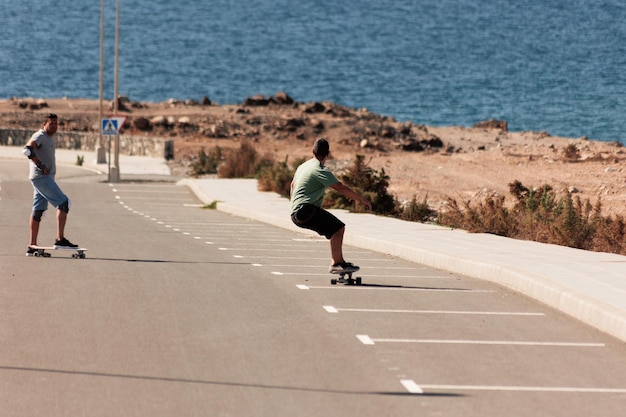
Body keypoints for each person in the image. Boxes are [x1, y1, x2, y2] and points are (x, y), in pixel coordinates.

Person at [290, 138, 372, 273]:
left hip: (295, 212)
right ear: (328, 154)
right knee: (338, 228)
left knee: (334, 229)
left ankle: (337, 261)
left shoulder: (303, 166)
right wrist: (362, 200)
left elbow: (292, 184)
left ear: (312, 151)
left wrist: (293, 204)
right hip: (305, 210)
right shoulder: (319, 169)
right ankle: (337, 263)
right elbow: (340, 187)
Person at [24, 113, 79, 256]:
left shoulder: (48, 138)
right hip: (42, 177)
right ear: (44, 124)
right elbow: (27, 150)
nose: (54, 126)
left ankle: (32, 246)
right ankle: (60, 239)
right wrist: (40, 165)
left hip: (41, 179)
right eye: (51, 123)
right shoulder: (40, 135)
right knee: (64, 203)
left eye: (56, 124)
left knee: (38, 211)